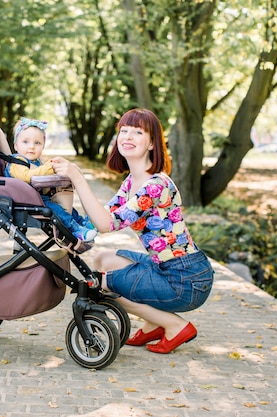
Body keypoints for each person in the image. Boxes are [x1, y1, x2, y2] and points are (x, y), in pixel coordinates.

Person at [51, 108, 214, 354]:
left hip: (186, 280)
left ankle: (174, 325)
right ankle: (154, 323)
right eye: (123, 130)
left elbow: (107, 225)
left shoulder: (155, 186)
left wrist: (78, 177)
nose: (127, 136)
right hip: (167, 268)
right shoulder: (132, 181)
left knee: (101, 284)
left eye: (138, 132)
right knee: (102, 259)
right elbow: (101, 217)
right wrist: (76, 234)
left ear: (152, 143)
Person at [5, 117, 97, 242]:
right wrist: (49, 168)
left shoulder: (35, 162)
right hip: (23, 200)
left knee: (64, 207)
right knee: (55, 209)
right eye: (25, 142)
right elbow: (28, 176)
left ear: (43, 146)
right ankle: (74, 229)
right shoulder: (17, 162)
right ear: (16, 145)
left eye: (37, 143)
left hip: (36, 198)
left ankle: (80, 222)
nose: (31, 147)